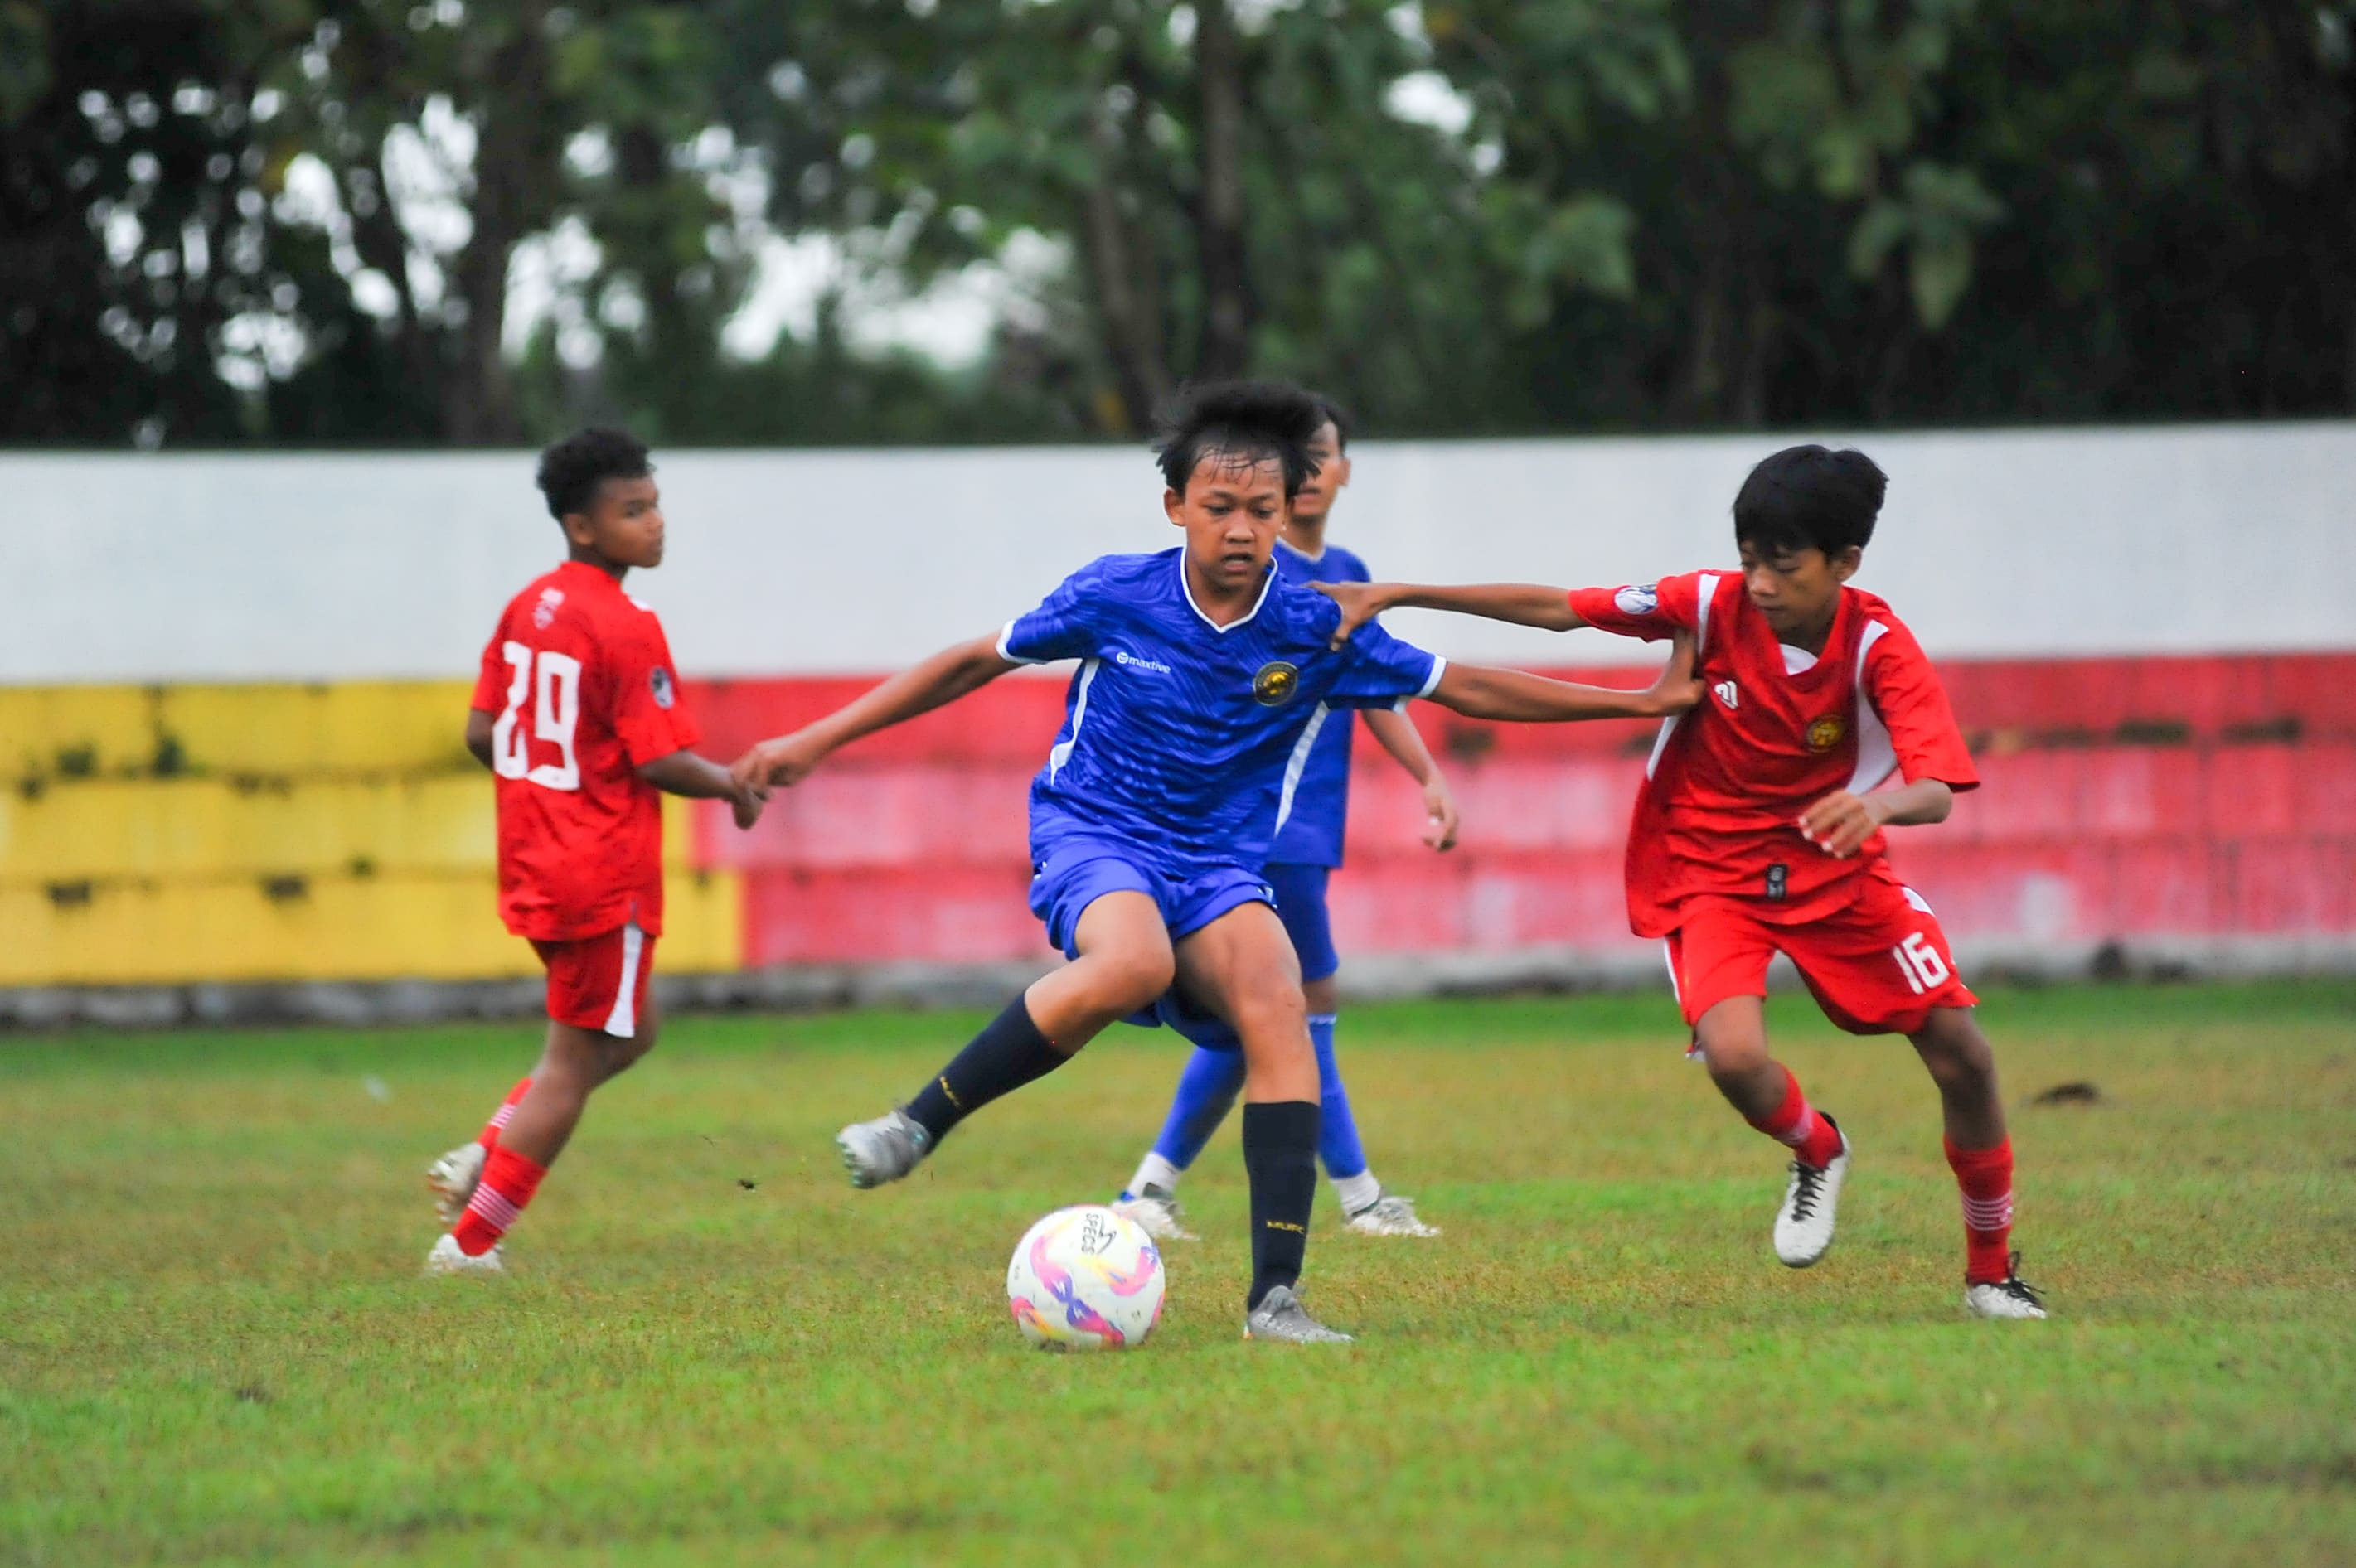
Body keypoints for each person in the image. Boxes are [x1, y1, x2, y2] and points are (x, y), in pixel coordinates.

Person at [732, 380, 1698, 1343]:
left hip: (1217, 863)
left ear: (1290, 511)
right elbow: (970, 661)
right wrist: (816, 740)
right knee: (1131, 961)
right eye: (1220, 507)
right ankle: (916, 1123)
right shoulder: (1117, 591)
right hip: (1093, 831)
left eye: (1262, 511)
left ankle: (1274, 1299)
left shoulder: (1318, 622)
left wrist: (1637, 704)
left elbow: (1469, 686)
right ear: (1176, 507)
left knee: (1279, 1003)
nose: (1241, 530)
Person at [1316, 445, 2047, 1319]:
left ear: (1845, 563)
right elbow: (1559, 609)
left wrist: (1876, 809)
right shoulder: (1705, 603)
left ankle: (1990, 1274)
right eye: (1749, 559)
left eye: (1784, 564)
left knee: (1962, 1056)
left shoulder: (1879, 647)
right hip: (1710, 868)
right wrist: (1399, 592)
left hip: (1836, 866)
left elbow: (1935, 785)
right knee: (1735, 1058)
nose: (1760, 583)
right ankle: (1816, 1147)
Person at [1112, 394, 1458, 1243]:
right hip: (1265, 828)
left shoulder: (1342, 569)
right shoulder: (1258, 575)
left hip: (1311, 821)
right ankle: (1361, 1196)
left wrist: (1426, 772)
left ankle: (1149, 1188)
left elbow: (1372, 685)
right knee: (1299, 1003)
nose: (1307, 467)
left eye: (1321, 452)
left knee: (1262, 1015)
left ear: (1336, 472)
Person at [423, 428, 767, 1275]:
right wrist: (733, 784)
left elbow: (480, 731)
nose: (655, 525)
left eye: (655, 506)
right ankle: (469, 1244)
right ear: (583, 526)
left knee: (630, 1030)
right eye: (633, 510)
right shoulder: (625, 623)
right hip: (599, 871)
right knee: (571, 1065)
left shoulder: (526, 606)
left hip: (536, 859)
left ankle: (482, 1156)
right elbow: (656, 758)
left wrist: (544, 787)